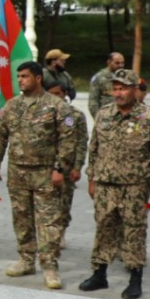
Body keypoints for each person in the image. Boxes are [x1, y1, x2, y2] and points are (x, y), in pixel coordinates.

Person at [79, 70, 150, 299]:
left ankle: (135, 278)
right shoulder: (104, 114)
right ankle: (99, 273)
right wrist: (91, 178)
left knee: (134, 231)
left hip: (135, 186)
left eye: (123, 88)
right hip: (106, 184)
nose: (118, 93)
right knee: (103, 228)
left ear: (135, 89)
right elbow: (94, 149)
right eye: (115, 88)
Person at [0, 61, 77, 289]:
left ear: (38, 78)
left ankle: (49, 267)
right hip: (18, 174)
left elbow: (68, 141)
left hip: (45, 174)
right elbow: (0, 138)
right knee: (22, 219)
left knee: (48, 222)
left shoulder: (57, 106)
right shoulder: (11, 106)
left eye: (25, 76)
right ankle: (26, 260)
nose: (21, 80)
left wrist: (60, 169)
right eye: (19, 76)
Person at [47, 81, 87, 248]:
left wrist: (77, 166)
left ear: (64, 94)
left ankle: (61, 232)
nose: (55, 97)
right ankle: (46, 233)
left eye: (58, 93)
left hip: (66, 166)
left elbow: (81, 142)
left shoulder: (75, 115)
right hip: (45, 165)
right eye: (51, 94)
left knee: (64, 201)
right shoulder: (42, 113)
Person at [86, 52, 126, 117]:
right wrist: (99, 119)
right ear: (109, 62)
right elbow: (93, 102)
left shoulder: (126, 77)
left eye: (122, 63)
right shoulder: (99, 78)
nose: (121, 65)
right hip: (106, 117)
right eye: (117, 63)